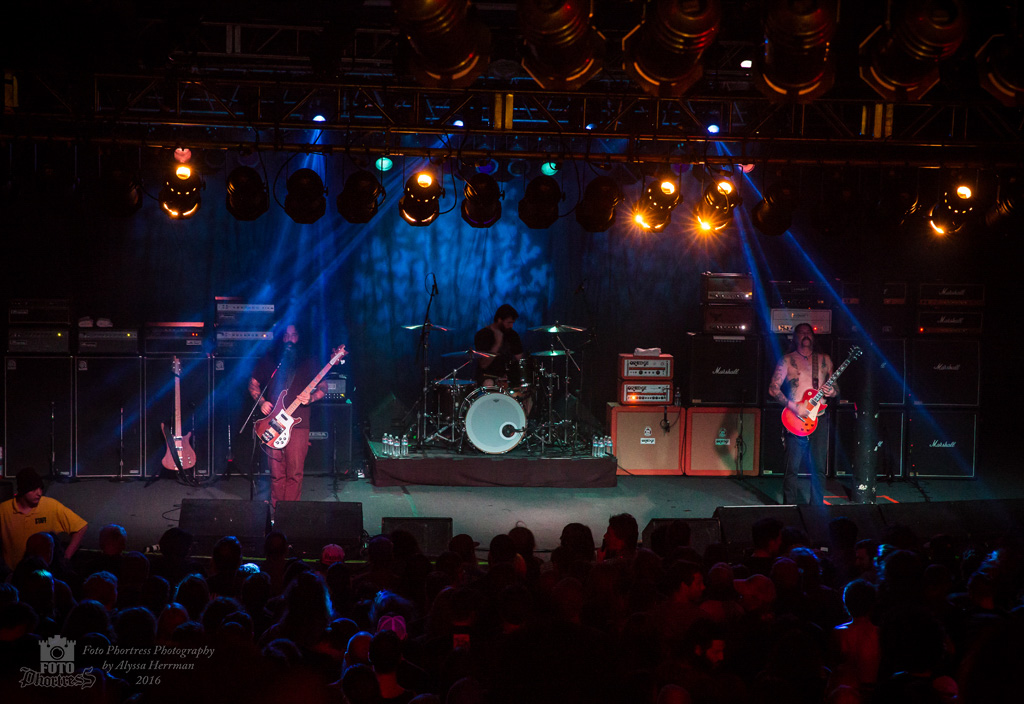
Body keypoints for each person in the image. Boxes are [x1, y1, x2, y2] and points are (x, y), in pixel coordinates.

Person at [249, 324, 340, 509]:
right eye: (286, 335)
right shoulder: (270, 360)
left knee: (295, 473)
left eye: (294, 335)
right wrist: (261, 402)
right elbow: (253, 383)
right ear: (281, 338)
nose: (290, 339)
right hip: (273, 423)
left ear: (299, 337)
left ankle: (290, 512)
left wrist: (312, 397)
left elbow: (324, 387)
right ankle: (276, 511)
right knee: (276, 473)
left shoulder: (309, 361)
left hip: (299, 425)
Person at [768, 323, 837, 504]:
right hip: (795, 418)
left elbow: (835, 387)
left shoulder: (824, 360)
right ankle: (790, 506)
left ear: (813, 337)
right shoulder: (787, 360)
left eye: (809, 332)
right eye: (801, 332)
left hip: (820, 418)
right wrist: (794, 407)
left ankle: (816, 506)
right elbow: (773, 389)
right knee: (792, 467)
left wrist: (833, 392)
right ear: (795, 337)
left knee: (819, 467)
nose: (806, 335)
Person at [1, 467, 88, 570]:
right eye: (33, 489)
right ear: (23, 490)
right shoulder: (3, 510)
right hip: (15, 576)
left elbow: (81, 527)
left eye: (40, 488)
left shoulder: (50, 506)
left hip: (46, 573)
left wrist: (65, 558)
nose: (39, 493)